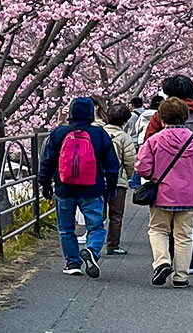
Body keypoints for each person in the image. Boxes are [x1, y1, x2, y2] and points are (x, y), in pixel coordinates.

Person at [135, 98, 193, 288]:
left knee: (158, 230)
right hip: (192, 196)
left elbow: (142, 168)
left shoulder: (154, 140)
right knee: (184, 235)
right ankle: (181, 275)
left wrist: (154, 173)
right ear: (185, 117)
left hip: (162, 194)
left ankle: (162, 262)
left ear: (162, 118)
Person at [38, 97, 120, 277]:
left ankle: (72, 263)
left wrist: (44, 184)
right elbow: (112, 164)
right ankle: (91, 250)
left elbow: (47, 161)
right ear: (91, 112)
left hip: (64, 188)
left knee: (66, 228)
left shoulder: (58, 133)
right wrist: (111, 187)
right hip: (93, 188)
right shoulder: (99, 134)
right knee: (96, 227)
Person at [101, 101, 140, 256]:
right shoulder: (124, 137)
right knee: (116, 215)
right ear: (125, 121)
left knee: (98, 213)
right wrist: (130, 177)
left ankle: (94, 242)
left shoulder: (99, 132)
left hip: (98, 179)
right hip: (118, 181)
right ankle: (112, 245)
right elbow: (130, 161)